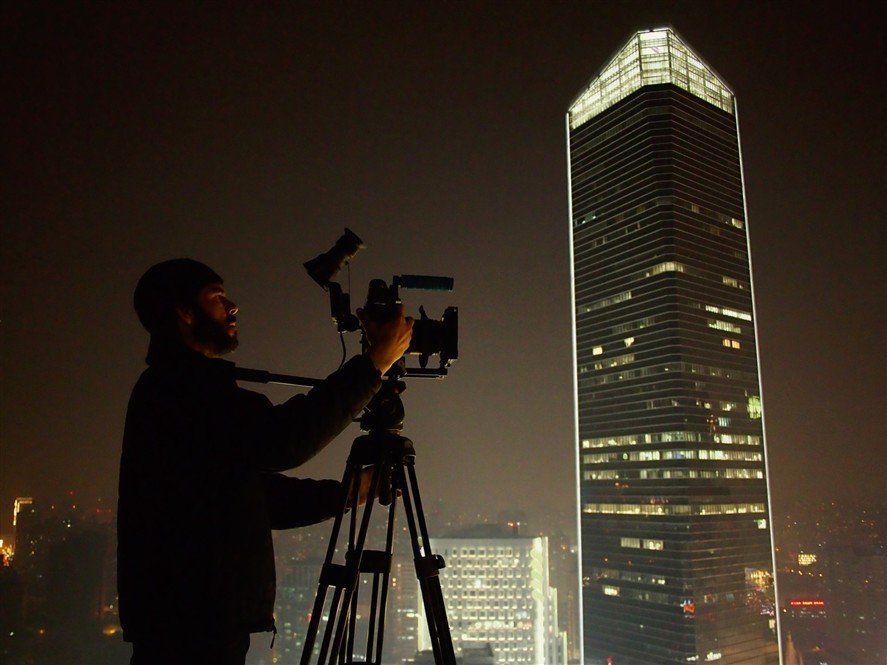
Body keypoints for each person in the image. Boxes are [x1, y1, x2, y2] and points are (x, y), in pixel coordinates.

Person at [117, 258, 412, 664]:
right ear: (184, 312)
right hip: (192, 629)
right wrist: (374, 364)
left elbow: (250, 496)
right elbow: (283, 440)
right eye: (217, 298)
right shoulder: (184, 391)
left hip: (194, 624)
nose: (233, 306)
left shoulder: (176, 389)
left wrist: (355, 490)